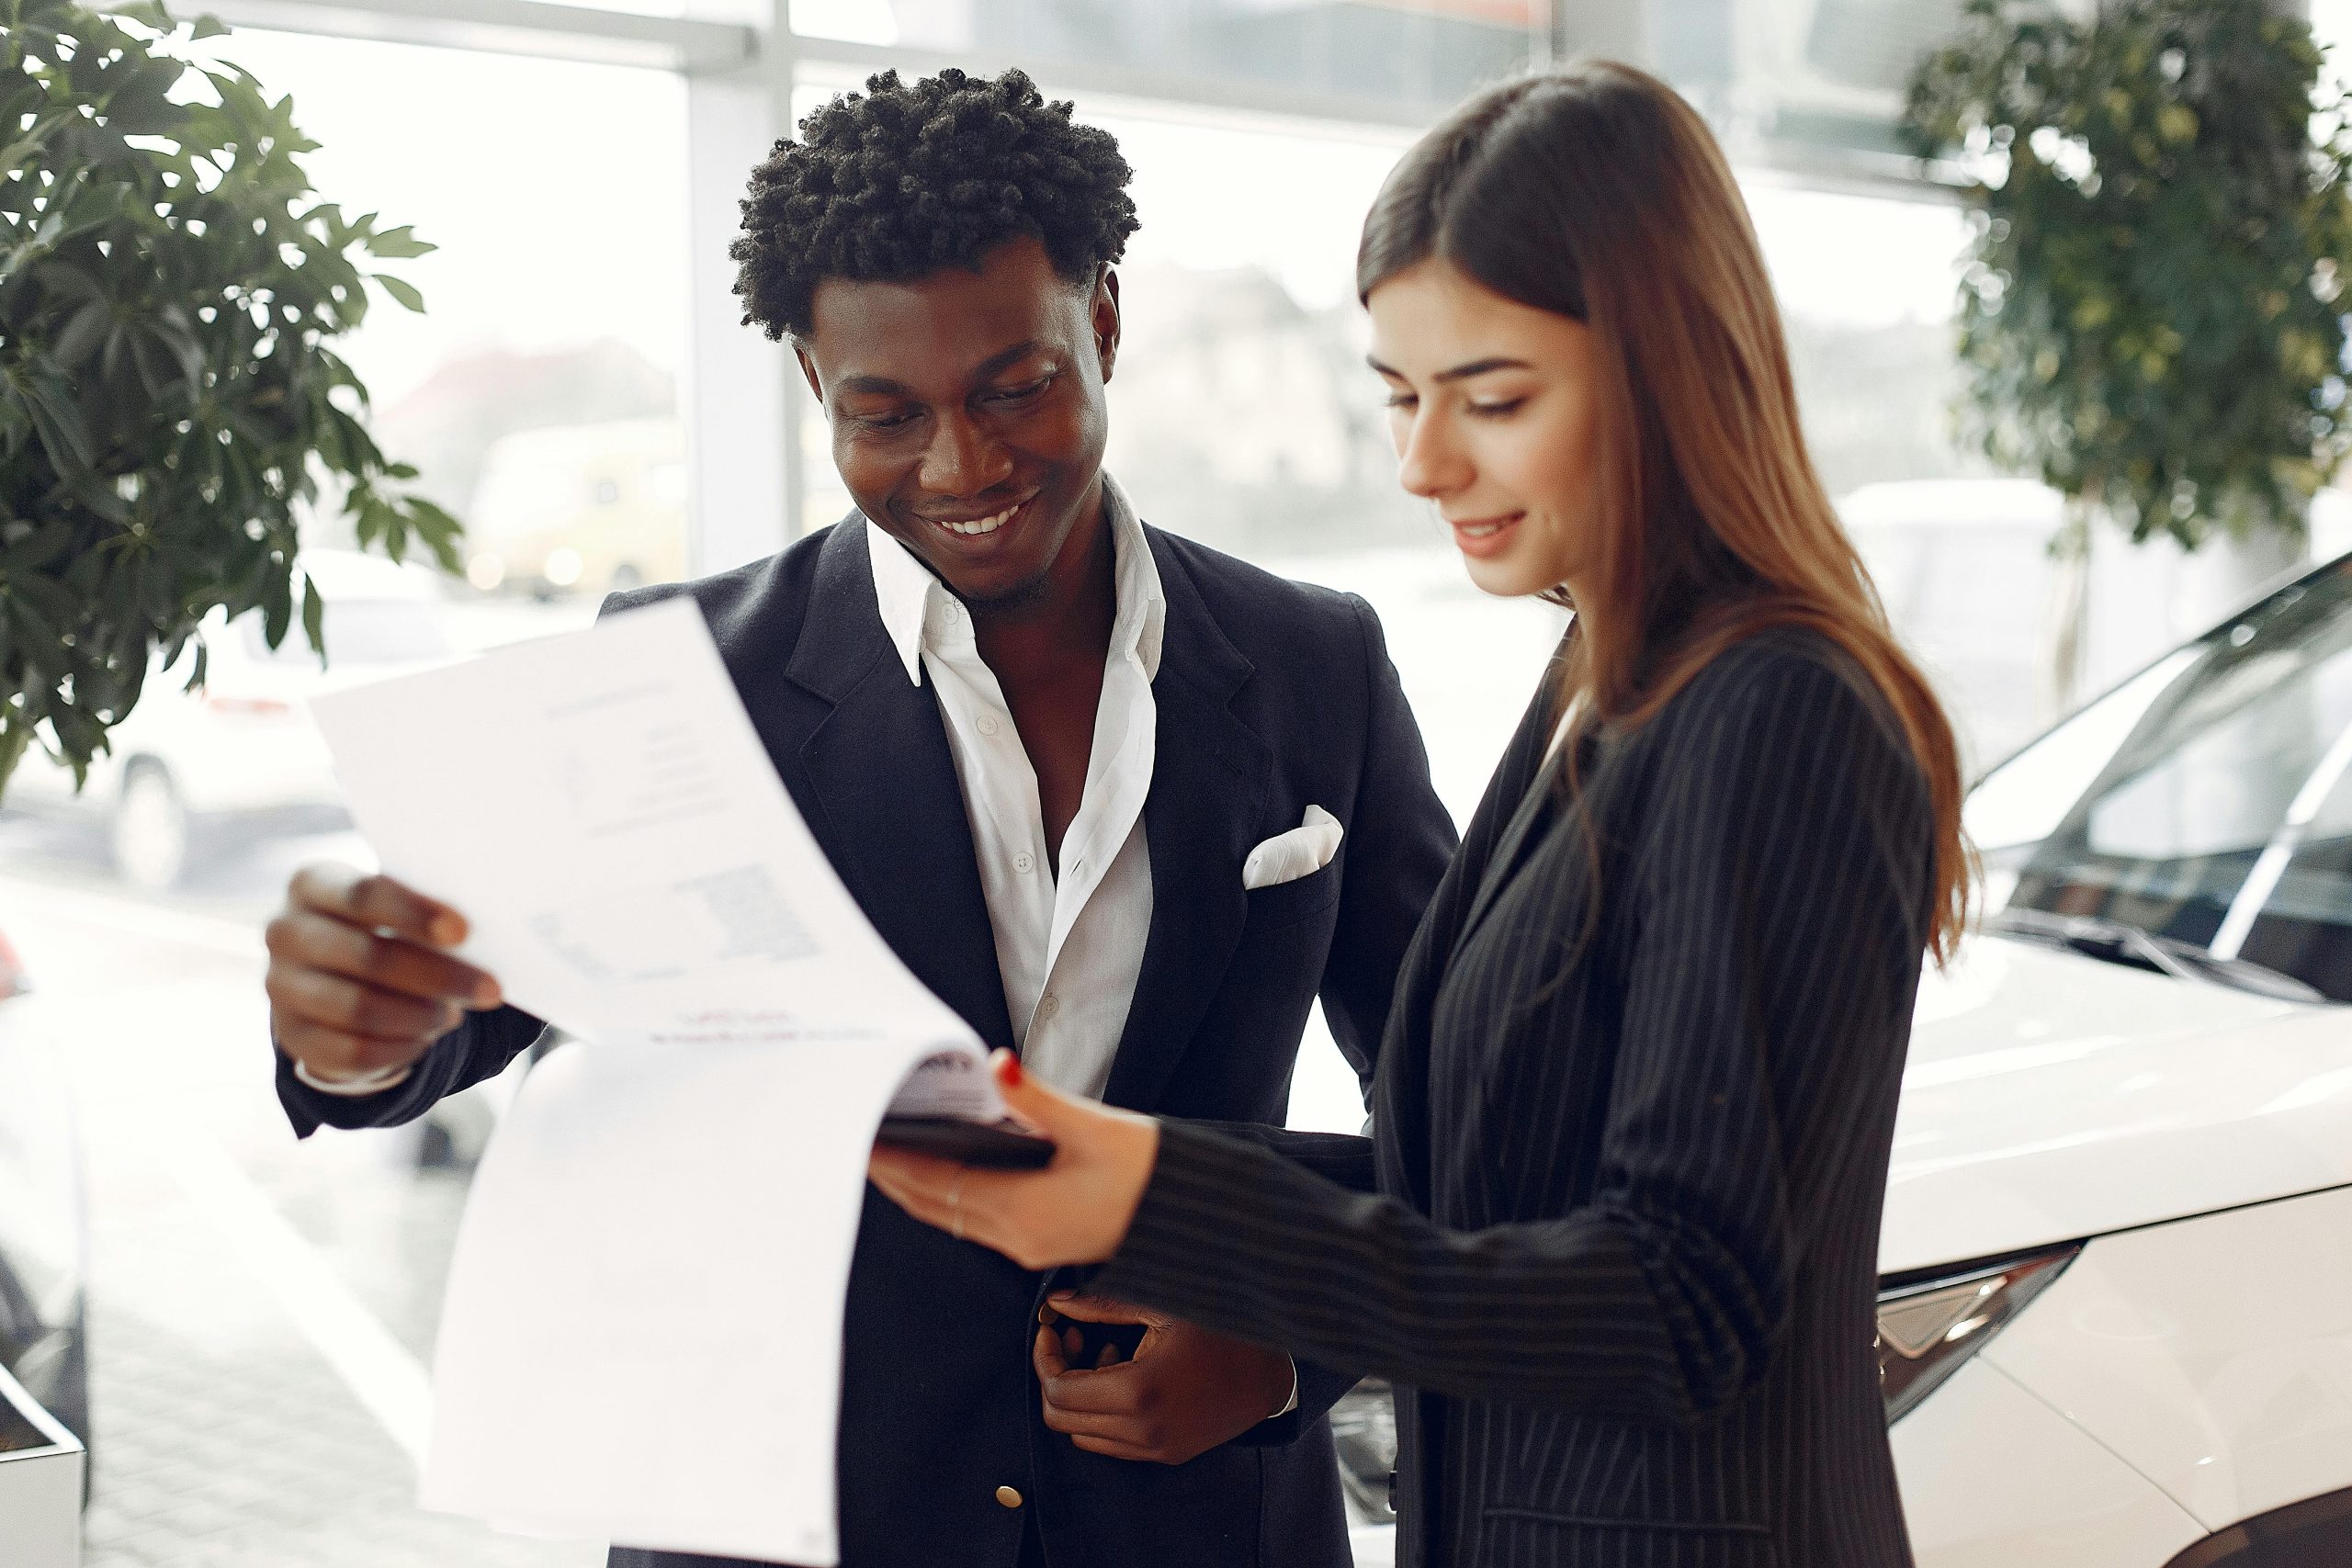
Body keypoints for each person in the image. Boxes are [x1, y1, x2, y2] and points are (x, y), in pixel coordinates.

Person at [260, 68, 1457, 1568]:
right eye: (887, 413)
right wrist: (351, 1029)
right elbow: (458, 1018)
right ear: (818, 391)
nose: (965, 467)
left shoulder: (1312, 660)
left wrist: (1291, 1346)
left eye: (1014, 386)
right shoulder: (683, 677)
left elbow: (1468, 1103)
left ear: (1103, 321)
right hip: (797, 1529)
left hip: (1199, 1523)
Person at [869, 60, 1975, 1568]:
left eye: (1493, 398)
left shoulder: (1777, 709)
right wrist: (1116, 1185)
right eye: (1399, 397)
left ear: (1669, 366)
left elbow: (1683, 1306)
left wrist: (1157, 1192)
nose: (1421, 463)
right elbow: (1489, 1186)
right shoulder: (1604, 675)